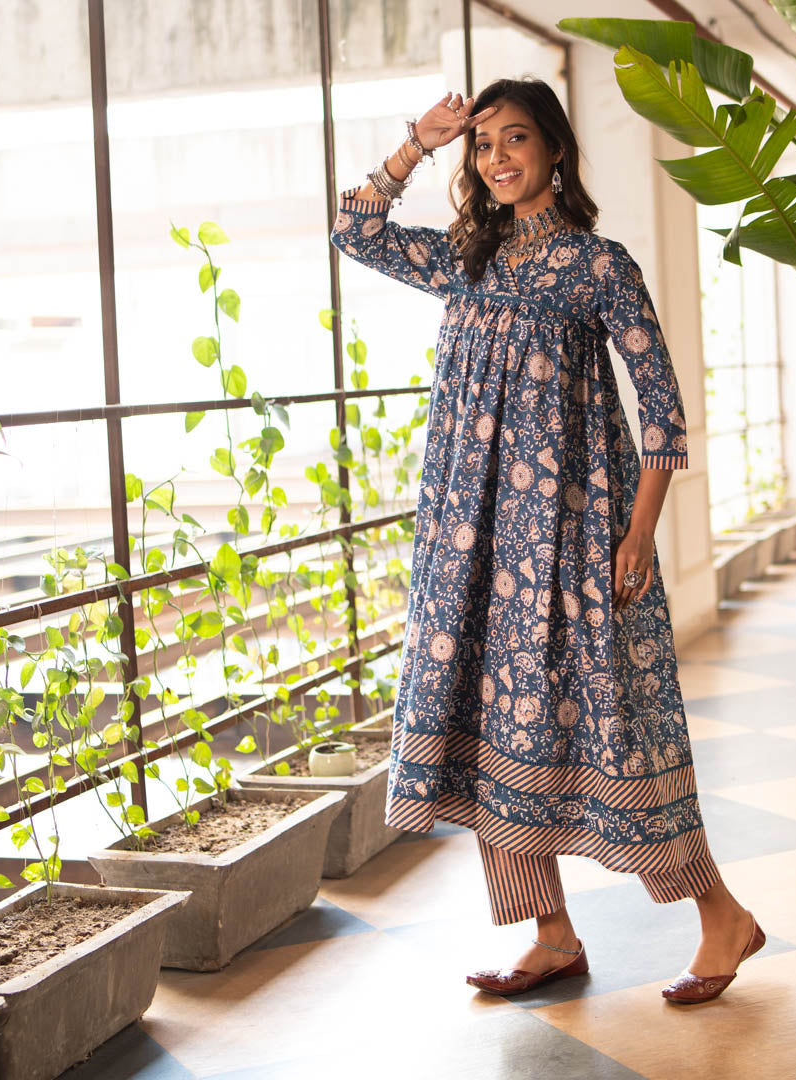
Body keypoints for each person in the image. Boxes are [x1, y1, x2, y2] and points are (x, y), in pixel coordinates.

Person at [329, 77, 764, 1004]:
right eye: (482, 147)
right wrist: (417, 140)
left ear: (555, 149)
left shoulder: (598, 267)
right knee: (491, 730)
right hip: (470, 539)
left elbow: (665, 409)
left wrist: (639, 532)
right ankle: (551, 934)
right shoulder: (462, 258)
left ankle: (721, 913)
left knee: (620, 728)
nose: (496, 160)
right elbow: (354, 231)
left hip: (570, 539)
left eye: (514, 140)